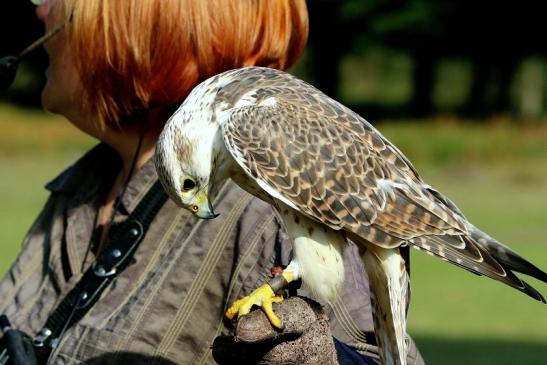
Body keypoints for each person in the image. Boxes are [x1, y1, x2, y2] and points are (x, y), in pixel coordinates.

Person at [0, 0, 425, 364]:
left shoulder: (270, 191)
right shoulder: (82, 186)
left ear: (146, 26)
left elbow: (381, 353)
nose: (42, 11)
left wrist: (325, 358)